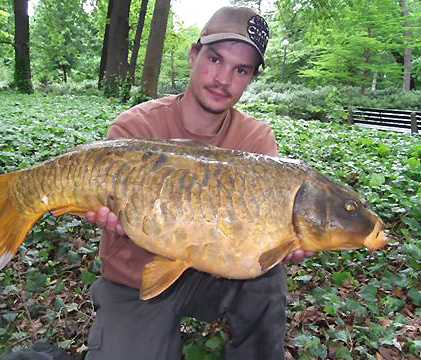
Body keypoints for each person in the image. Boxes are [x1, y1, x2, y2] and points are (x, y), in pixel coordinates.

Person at [84, 6, 312, 360]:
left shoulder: (256, 143)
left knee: (268, 282)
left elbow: (260, 242)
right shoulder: (135, 129)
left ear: (250, 78)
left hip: (214, 274)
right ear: (193, 55)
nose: (224, 79)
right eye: (215, 59)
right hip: (135, 276)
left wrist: (282, 243)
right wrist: (110, 216)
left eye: (240, 70)